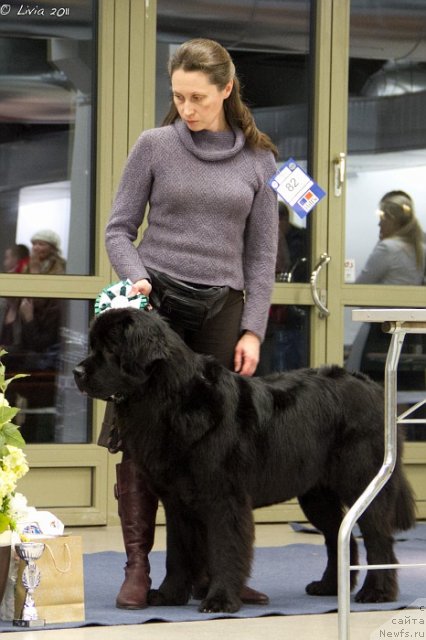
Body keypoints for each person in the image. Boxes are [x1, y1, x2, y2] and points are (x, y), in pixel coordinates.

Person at [102, 38, 279, 609]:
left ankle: (212, 571)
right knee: (141, 439)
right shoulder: (153, 146)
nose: (186, 108)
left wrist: (252, 327)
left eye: (198, 97)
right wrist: (136, 279)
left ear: (226, 90)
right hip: (156, 307)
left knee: (218, 445)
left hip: (221, 310)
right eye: (178, 97)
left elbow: (260, 257)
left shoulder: (259, 161)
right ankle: (137, 569)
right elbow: (118, 230)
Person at [356, 191, 425, 285]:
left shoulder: (387, 248)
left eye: (382, 219)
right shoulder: (421, 247)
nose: (379, 224)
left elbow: (360, 286)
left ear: (394, 221)